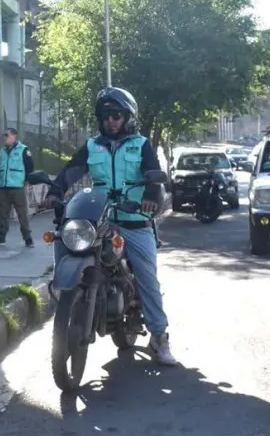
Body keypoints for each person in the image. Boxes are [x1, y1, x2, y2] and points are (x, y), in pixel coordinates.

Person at [45, 87, 177, 365]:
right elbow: (72, 171)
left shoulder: (141, 145)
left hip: (135, 221)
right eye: (106, 116)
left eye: (117, 115)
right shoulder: (92, 145)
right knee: (63, 240)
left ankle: (159, 337)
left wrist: (152, 198)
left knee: (147, 278)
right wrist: (55, 191)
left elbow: (154, 180)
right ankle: (65, 293)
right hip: (100, 220)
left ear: (128, 117)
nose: (112, 121)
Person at [0, 127, 35, 248]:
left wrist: (25, 181)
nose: (4, 137)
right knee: (2, 214)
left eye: (6, 135)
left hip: (17, 187)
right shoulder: (2, 151)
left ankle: (28, 238)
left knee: (22, 213)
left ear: (14, 137)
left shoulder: (23, 150)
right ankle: (1, 237)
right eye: (3, 135)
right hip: (3, 187)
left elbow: (30, 167)